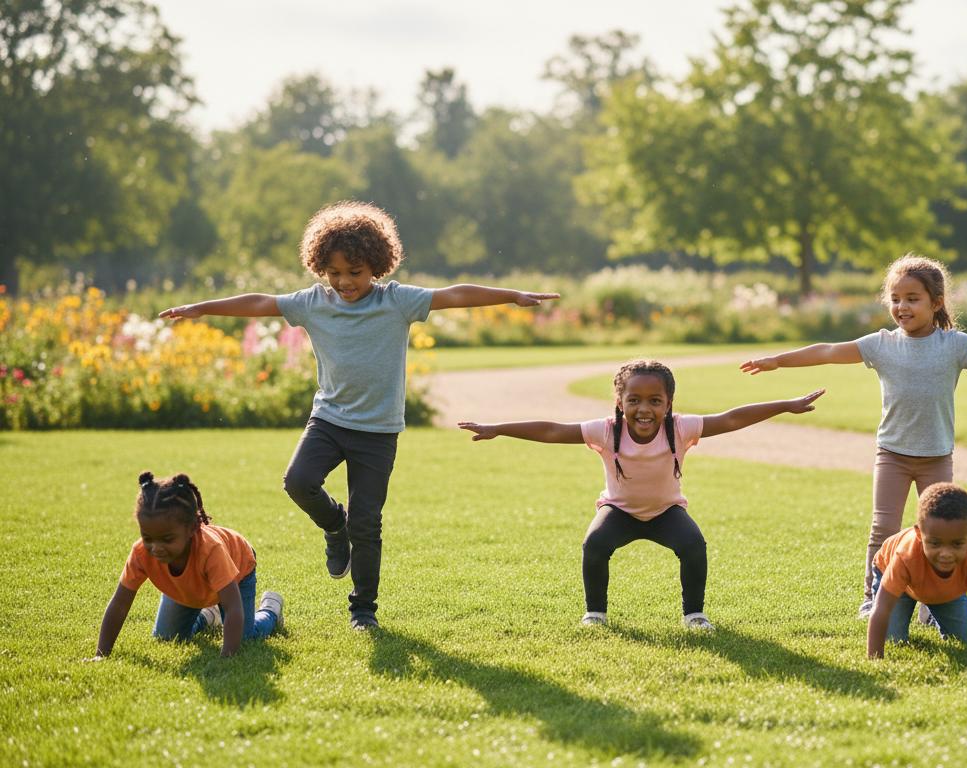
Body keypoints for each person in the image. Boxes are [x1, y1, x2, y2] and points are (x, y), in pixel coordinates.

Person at [159, 201, 558, 631]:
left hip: (378, 432)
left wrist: (511, 296)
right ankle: (335, 526)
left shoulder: (397, 301)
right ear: (320, 268)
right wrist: (203, 307)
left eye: (355, 272)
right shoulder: (313, 302)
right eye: (334, 273)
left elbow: (455, 294)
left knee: (368, 524)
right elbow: (261, 302)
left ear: (377, 266)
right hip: (328, 420)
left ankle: (363, 610)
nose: (345, 282)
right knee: (298, 482)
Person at [740, 253, 967, 618]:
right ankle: (874, 596)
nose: (902, 307)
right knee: (883, 528)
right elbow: (829, 351)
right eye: (895, 299)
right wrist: (777, 360)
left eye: (912, 299)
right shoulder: (880, 344)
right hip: (892, 454)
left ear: (936, 302)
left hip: (936, 457)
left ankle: (933, 599)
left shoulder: (954, 345)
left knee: (936, 532)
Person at [458, 359, 824, 630]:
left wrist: (784, 405)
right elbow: (554, 431)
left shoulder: (681, 428)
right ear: (620, 402)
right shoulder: (605, 430)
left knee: (694, 545)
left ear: (668, 404)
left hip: (666, 511)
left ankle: (694, 614)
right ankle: (595, 613)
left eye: (654, 401)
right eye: (634, 400)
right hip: (619, 510)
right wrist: (498, 429)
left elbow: (730, 419)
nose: (644, 409)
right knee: (595, 544)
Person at [95, 472, 283, 659]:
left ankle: (271, 610)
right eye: (148, 538)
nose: (156, 547)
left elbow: (233, 606)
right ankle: (209, 615)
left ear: (193, 528)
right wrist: (101, 654)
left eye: (167, 539)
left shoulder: (211, 550)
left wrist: (227, 658)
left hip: (238, 569)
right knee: (168, 637)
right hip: (193, 588)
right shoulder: (141, 553)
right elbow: (120, 604)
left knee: (243, 638)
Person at [866, 482, 967, 659]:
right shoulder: (905, 556)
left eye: (956, 544)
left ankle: (932, 612)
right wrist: (874, 658)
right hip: (897, 582)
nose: (946, 554)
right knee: (892, 639)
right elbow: (882, 607)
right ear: (919, 534)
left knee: (965, 639)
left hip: (944, 591)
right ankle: (923, 609)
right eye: (935, 543)